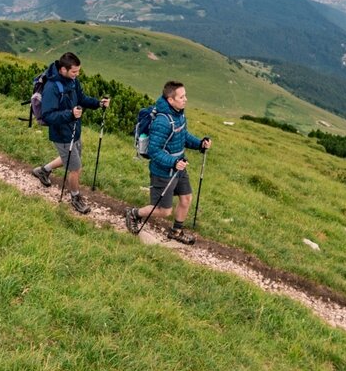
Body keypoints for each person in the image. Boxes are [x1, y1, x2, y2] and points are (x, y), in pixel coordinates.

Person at [125, 81, 211, 243]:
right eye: (181, 97)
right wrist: (173, 162)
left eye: (185, 95)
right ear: (170, 100)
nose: (185, 99)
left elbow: (183, 136)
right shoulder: (162, 122)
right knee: (164, 211)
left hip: (178, 167)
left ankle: (175, 232)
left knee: (186, 198)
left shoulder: (180, 114)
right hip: (163, 172)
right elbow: (154, 151)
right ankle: (134, 214)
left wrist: (200, 143)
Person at [30, 52, 109, 214]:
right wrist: (70, 114)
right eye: (74, 71)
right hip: (61, 134)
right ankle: (75, 197)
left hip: (74, 130)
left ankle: (43, 171)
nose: (77, 74)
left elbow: (81, 98)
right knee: (76, 168)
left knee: (71, 159)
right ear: (62, 69)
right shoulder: (52, 87)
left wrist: (98, 104)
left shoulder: (72, 81)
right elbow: (48, 115)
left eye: (78, 71)